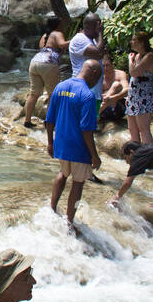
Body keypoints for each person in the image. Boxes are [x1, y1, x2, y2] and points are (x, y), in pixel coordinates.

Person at [45, 60, 102, 225]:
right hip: (79, 148)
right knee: (78, 183)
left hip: (61, 144)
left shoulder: (60, 87)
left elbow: (49, 120)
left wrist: (50, 143)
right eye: (97, 78)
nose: (96, 83)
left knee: (62, 173)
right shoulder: (87, 95)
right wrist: (94, 156)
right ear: (93, 74)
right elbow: (86, 130)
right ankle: (69, 222)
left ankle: (52, 208)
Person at [24, 17, 69, 129]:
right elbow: (63, 44)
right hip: (48, 64)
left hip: (35, 62)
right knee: (52, 94)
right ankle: (48, 122)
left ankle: (27, 120)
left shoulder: (44, 36)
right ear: (58, 25)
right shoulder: (57, 33)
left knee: (33, 93)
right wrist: (77, 38)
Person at [125, 31, 153, 145]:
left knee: (143, 129)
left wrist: (130, 60)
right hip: (133, 95)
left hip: (144, 96)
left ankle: (149, 157)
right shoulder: (138, 56)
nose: (131, 42)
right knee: (132, 128)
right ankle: (135, 157)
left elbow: (134, 72)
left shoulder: (149, 56)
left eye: (134, 40)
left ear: (141, 42)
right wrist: (133, 60)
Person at [98, 48, 129, 124]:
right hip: (104, 109)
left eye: (107, 66)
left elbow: (127, 90)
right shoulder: (99, 77)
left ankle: (95, 114)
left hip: (118, 108)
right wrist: (105, 97)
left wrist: (113, 97)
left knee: (116, 85)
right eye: (103, 66)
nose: (105, 68)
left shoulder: (120, 74)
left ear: (112, 64)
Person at [68, 13, 104, 78]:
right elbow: (97, 52)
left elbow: (100, 55)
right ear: (87, 27)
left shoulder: (92, 40)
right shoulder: (79, 39)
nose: (98, 29)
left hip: (92, 83)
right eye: (96, 28)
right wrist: (100, 33)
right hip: (82, 81)